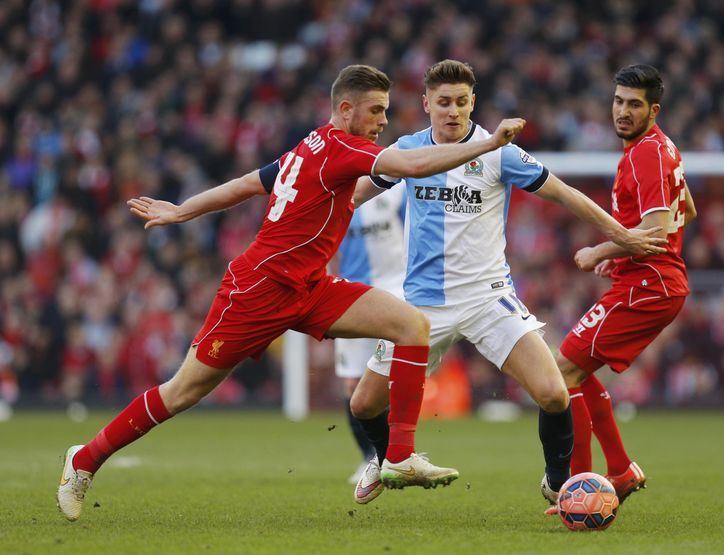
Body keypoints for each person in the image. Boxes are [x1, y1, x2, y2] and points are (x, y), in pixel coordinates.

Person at [56, 64, 530, 522]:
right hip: (258, 291)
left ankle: (399, 456)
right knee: (182, 393)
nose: (384, 121)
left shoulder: (310, 145)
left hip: (308, 286)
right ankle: (85, 459)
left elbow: (247, 184)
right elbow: (409, 165)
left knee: (411, 325)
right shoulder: (343, 147)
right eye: (377, 111)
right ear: (346, 110)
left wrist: (184, 211)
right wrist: (488, 144)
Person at [346, 60, 668, 508]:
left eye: (461, 102)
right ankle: (387, 460)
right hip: (421, 306)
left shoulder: (499, 150)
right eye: (443, 103)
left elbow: (564, 193)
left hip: (487, 298)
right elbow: (354, 194)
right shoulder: (408, 151)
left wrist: (620, 235)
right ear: (426, 105)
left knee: (554, 393)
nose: (453, 112)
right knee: (363, 405)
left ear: (472, 103)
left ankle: (557, 484)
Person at [553, 64, 697, 507]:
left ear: (653, 109)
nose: (623, 111)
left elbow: (656, 228)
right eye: (618, 101)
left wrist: (602, 250)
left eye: (634, 104)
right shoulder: (660, 147)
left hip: (650, 283)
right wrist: (628, 252)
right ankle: (620, 470)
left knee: (562, 372)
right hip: (649, 278)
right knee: (573, 369)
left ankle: (579, 488)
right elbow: (686, 210)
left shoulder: (646, 154)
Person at [333, 184, 406, 484]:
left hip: (395, 289)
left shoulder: (396, 188)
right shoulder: (335, 194)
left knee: (393, 377)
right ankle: (370, 457)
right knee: (353, 384)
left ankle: (400, 454)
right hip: (350, 294)